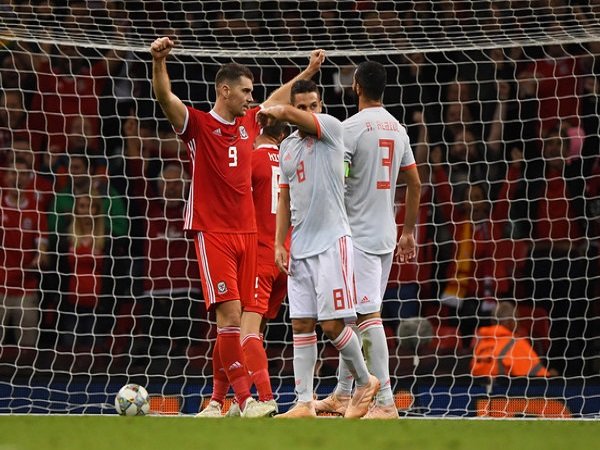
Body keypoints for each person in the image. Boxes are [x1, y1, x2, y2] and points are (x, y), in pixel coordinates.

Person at [150, 36, 324, 418]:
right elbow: (166, 99)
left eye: (252, 92)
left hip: (249, 235)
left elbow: (277, 97)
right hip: (213, 232)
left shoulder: (250, 122)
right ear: (224, 91)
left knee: (233, 324)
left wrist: (307, 73)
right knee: (231, 320)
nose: (250, 98)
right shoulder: (197, 124)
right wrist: (159, 63)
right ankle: (249, 401)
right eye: (244, 91)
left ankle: (216, 402)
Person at [260, 79, 380, 419]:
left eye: (314, 105)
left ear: (320, 106)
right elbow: (284, 196)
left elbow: (282, 112)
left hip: (332, 243)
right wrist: (279, 243)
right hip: (300, 247)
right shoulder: (287, 147)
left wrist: (270, 110)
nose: (309, 112)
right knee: (301, 324)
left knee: (331, 325)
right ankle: (303, 403)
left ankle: (365, 381)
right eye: (303, 107)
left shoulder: (330, 129)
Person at [314, 61, 421, 419]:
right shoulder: (397, 128)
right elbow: (415, 183)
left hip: (355, 236)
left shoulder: (349, 128)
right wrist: (407, 232)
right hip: (386, 235)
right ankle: (344, 394)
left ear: (357, 87)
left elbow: (338, 179)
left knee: (366, 316)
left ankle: (387, 401)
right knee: (352, 315)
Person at [209, 122, 291, 418]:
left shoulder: (251, 159)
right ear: (282, 135)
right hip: (286, 254)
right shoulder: (290, 160)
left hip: (257, 255)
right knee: (241, 329)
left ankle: (265, 399)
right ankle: (219, 401)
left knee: (241, 331)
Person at [471, 301, 557, 378]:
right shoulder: (516, 344)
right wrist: (552, 376)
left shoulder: (481, 343)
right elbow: (540, 377)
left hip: (480, 394)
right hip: (505, 393)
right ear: (511, 322)